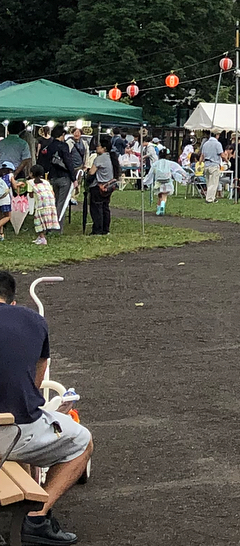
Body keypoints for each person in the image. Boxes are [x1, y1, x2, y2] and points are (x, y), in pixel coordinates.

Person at [0, 269, 93, 545]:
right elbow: (36, 383)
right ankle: (36, 517)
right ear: (12, 301)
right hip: (12, 429)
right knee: (81, 441)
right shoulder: (32, 320)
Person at [41, 125, 77, 231]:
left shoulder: (49, 146)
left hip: (52, 177)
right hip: (64, 177)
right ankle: (57, 227)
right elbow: (68, 162)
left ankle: (49, 225)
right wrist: (74, 178)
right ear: (63, 134)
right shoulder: (63, 146)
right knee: (61, 203)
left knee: (54, 202)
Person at [88, 137, 121, 235]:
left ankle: (97, 229)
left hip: (99, 186)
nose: (97, 148)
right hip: (109, 186)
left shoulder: (100, 158)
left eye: (99, 146)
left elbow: (91, 172)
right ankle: (105, 229)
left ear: (104, 148)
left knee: (96, 208)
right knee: (105, 207)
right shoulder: (112, 157)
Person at [144, 147, 186, 215]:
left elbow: (151, 173)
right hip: (167, 181)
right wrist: (184, 174)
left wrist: (146, 181)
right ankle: (162, 204)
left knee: (160, 194)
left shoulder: (155, 163)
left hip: (158, 181)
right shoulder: (170, 163)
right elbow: (178, 169)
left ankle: (158, 209)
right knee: (164, 194)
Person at [26, 165, 60, 246]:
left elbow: (31, 195)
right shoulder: (46, 182)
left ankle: (42, 238)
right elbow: (52, 193)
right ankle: (40, 236)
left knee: (39, 221)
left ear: (31, 174)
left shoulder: (30, 182)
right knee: (45, 219)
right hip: (50, 202)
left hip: (41, 203)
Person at [200, 131, 224, 202]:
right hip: (214, 164)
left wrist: (199, 163)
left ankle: (212, 197)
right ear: (216, 135)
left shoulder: (205, 144)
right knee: (213, 183)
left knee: (208, 183)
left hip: (206, 164)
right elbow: (222, 154)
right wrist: (227, 161)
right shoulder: (217, 144)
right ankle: (209, 199)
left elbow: (202, 155)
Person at [0, 161, 13, 240]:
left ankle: (1, 234)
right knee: (7, 216)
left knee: (0, 217)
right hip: (5, 200)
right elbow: (14, 186)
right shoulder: (10, 175)